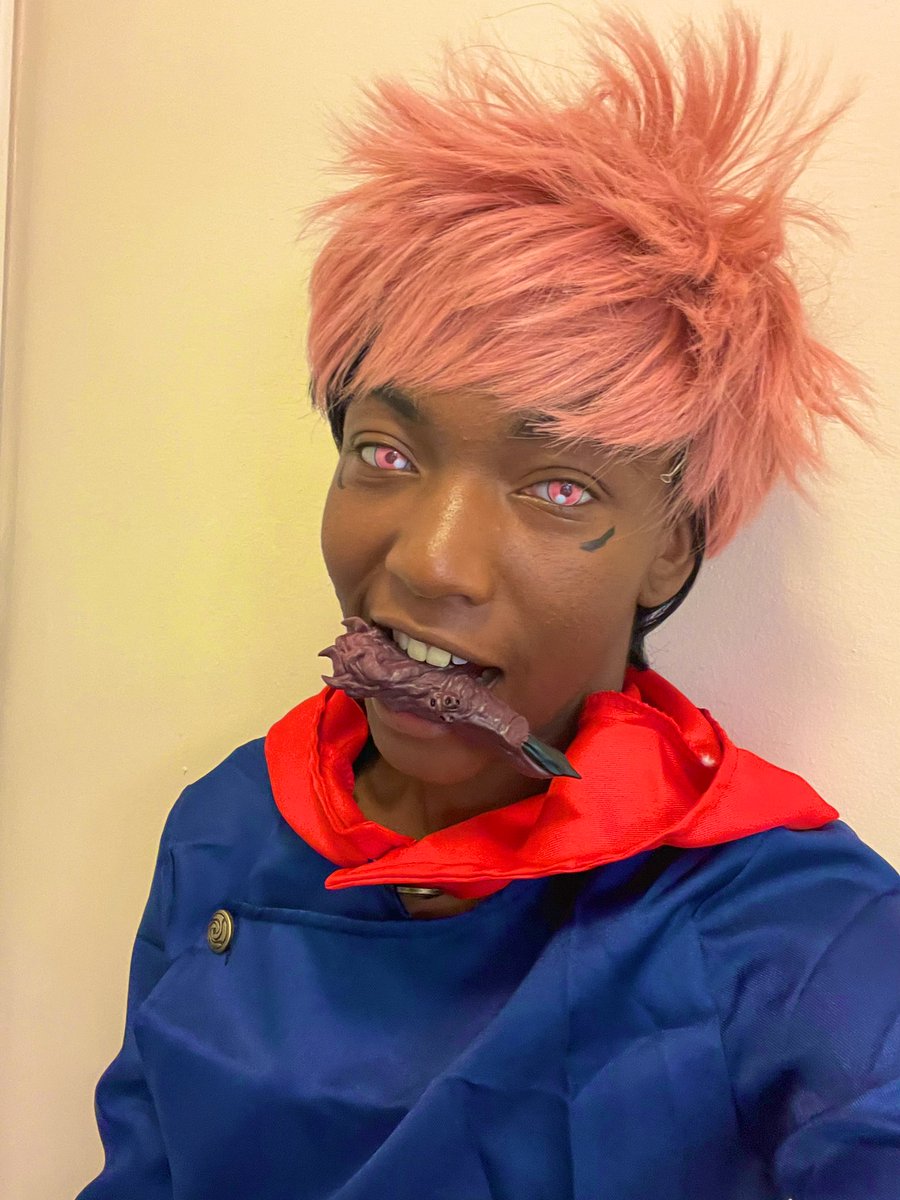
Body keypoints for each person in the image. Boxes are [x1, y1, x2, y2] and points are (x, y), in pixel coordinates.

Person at [77, 8, 900, 1198]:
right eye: (386, 454)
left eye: (558, 487)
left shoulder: (791, 929)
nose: (432, 564)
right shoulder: (223, 830)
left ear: (668, 553)